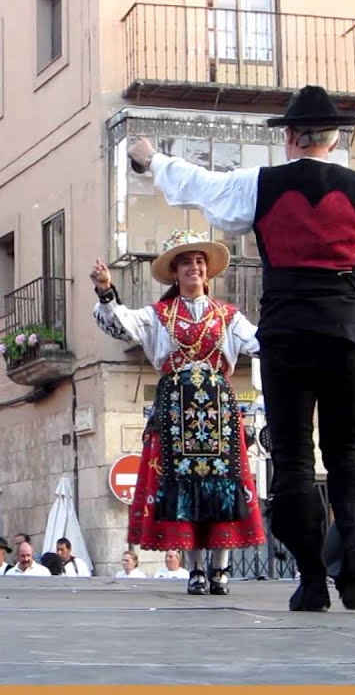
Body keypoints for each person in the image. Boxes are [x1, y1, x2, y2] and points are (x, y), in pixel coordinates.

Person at [127, 85, 355, 612]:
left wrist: (151, 158)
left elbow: (199, 186)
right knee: (347, 450)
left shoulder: (261, 184)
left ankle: (313, 577)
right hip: (345, 330)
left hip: (287, 332)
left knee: (293, 458)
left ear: (291, 137)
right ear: (334, 138)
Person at [92, 230, 265, 596]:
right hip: (175, 409)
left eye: (199, 261)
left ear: (208, 271)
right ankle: (195, 568)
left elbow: (259, 341)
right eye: (186, 261)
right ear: (174, 271)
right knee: (180, 486)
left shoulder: (228, 315)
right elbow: (121, 324)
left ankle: (220, 567)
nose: (194, 267)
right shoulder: (158, 315)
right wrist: (107, 291)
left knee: (222, 484)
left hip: (218, 409)